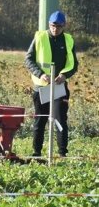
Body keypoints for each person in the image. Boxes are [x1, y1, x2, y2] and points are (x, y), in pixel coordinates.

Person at [24, 10, 78, 157]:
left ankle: (62, 153)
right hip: (41, 86)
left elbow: (74, 64)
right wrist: (41, 74)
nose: (56, 29)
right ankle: (36, 153)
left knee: (60, 120)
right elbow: (28, 60)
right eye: (53, 26)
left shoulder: (68, 40)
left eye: (59, 26)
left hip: (60, 86)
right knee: (40, 120)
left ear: (64, 26)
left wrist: (64, 74)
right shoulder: (39, 37)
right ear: (49, 24)